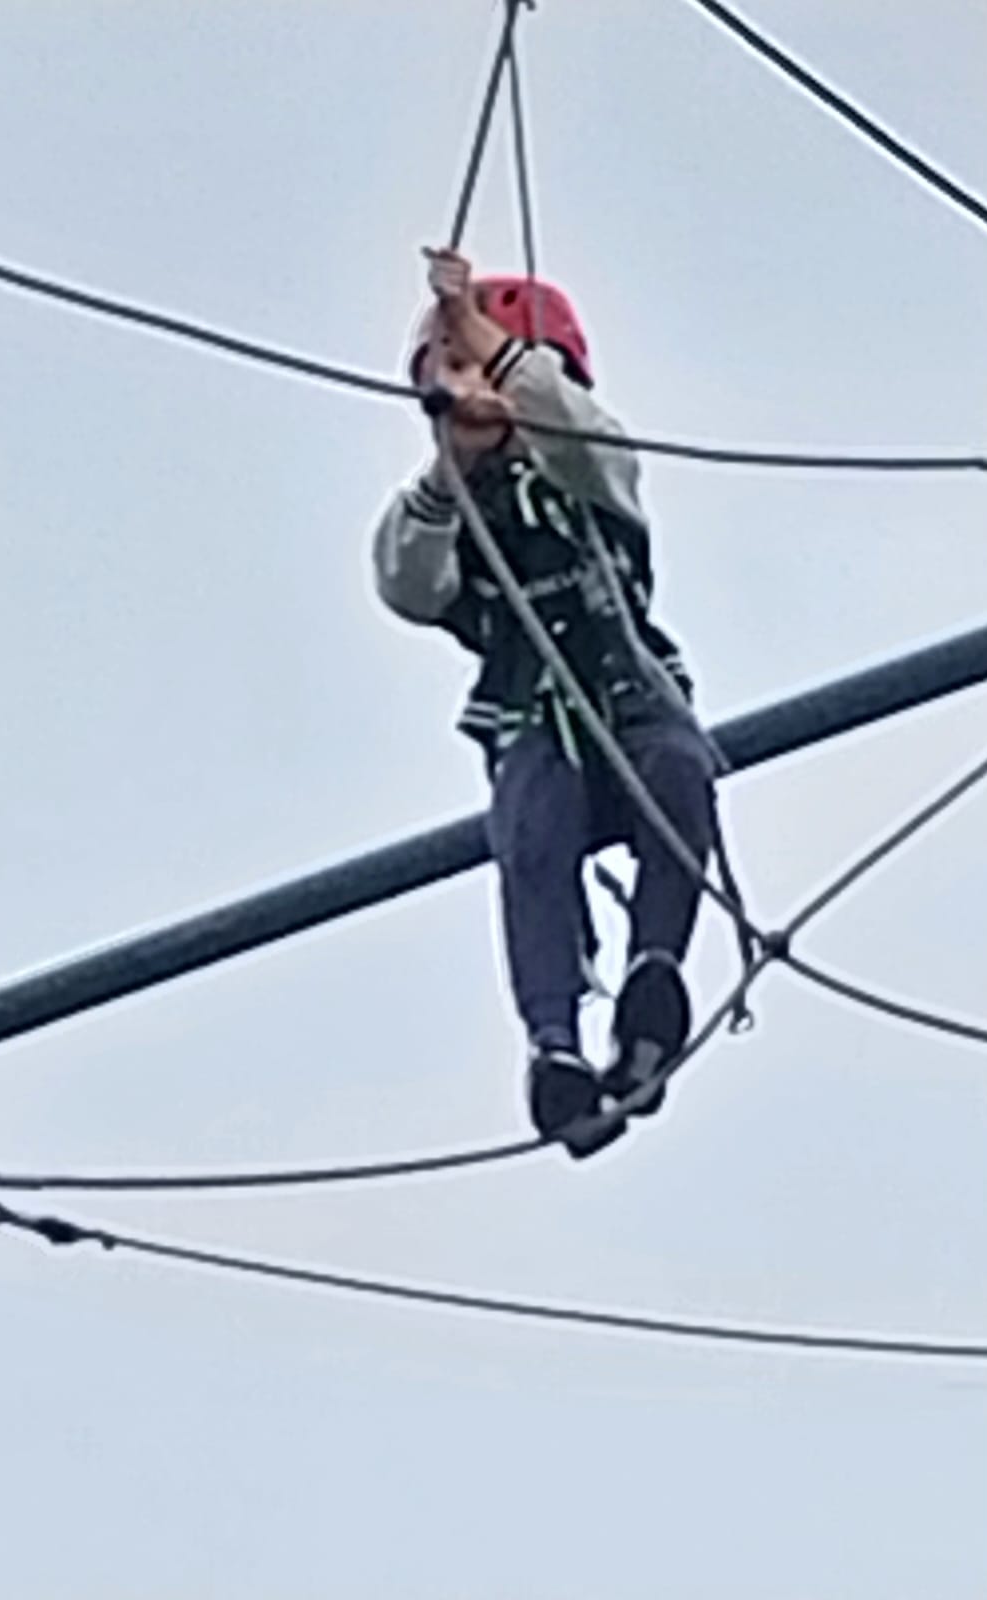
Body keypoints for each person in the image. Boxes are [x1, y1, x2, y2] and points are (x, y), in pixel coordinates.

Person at [370, 249, 718, 1157]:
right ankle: (555, 1045)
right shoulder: (450, 514)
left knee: (680, 769)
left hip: (626, 691)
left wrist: (487, 343)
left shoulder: (593, 472)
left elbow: (573, 427)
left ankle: (654, 979)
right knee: (531, 832)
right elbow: (407, 582)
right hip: (532, 718)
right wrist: (452, 468)